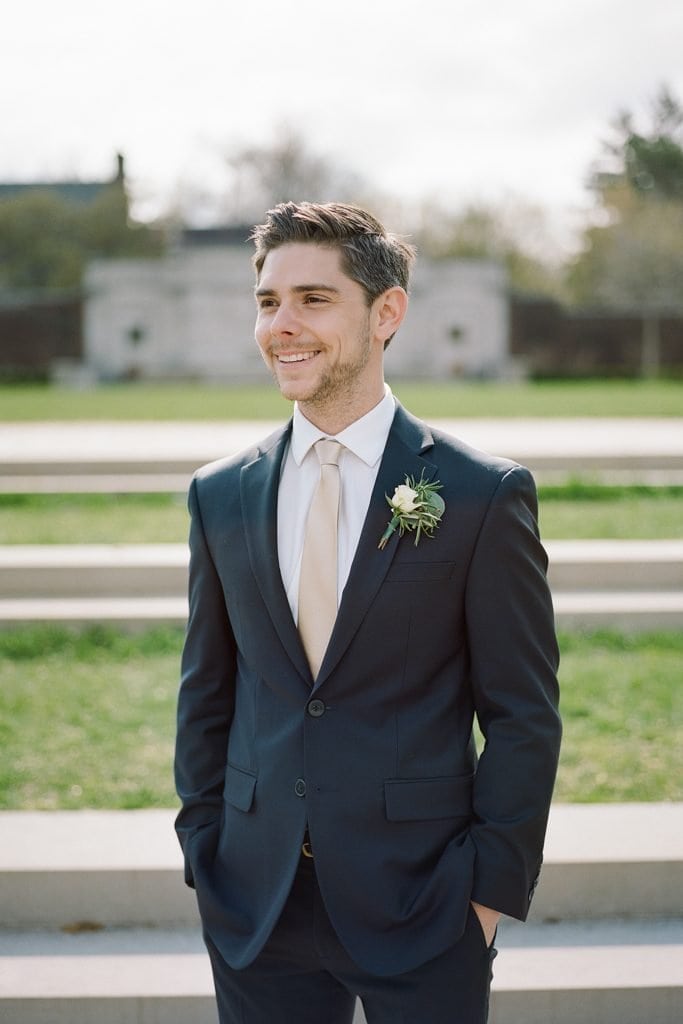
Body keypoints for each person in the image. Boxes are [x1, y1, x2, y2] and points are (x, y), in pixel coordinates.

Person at [174, 201, 562, 1024]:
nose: (283, 324)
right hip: (256, 901)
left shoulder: (479, 494)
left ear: (386, 313)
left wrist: (486, 897)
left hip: (424, 903)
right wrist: (203, 850)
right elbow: (206, 691)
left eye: (313, 299)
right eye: (268, 301)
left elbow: (523, 714)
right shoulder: (220, 494)